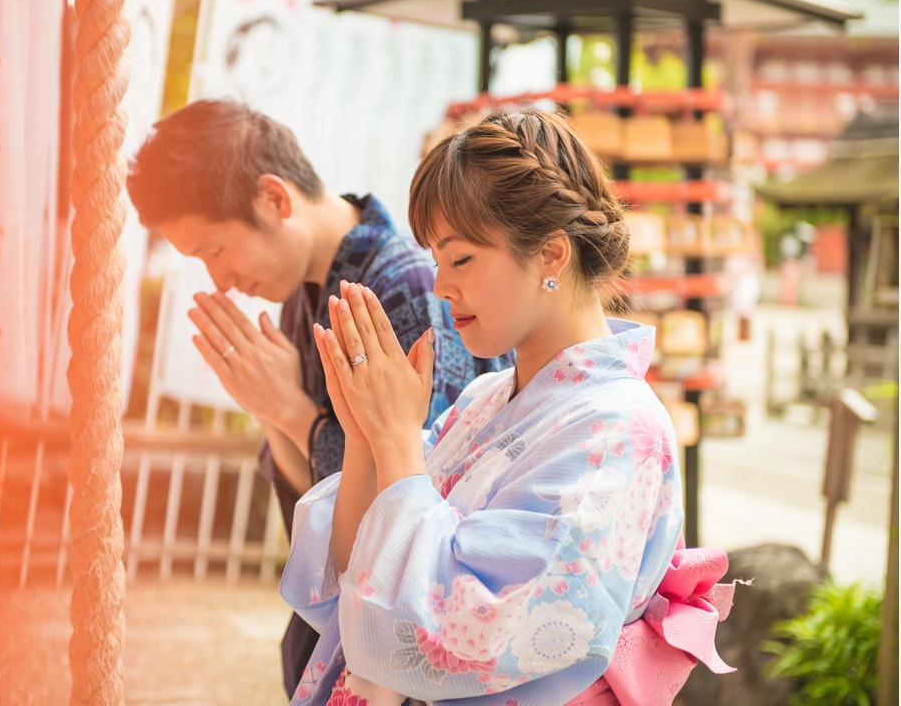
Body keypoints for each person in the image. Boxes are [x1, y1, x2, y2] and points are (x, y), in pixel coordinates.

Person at [281, 108, 737, 706]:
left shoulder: (622, 429)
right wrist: (367, 439)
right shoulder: (482, 400)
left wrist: (397, 441)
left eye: (461, 258)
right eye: (438, 261)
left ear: (551, 254)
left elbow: (466, 634)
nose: (441, 286)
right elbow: (361, 580)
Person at [126, 98, 511, 698]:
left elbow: (417, 499)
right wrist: (272, 407)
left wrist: (288, 411)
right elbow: (309, 490)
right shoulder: (302, 292)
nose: (219, 281)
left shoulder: (405, 286)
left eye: (214, 249)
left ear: (275, 199)